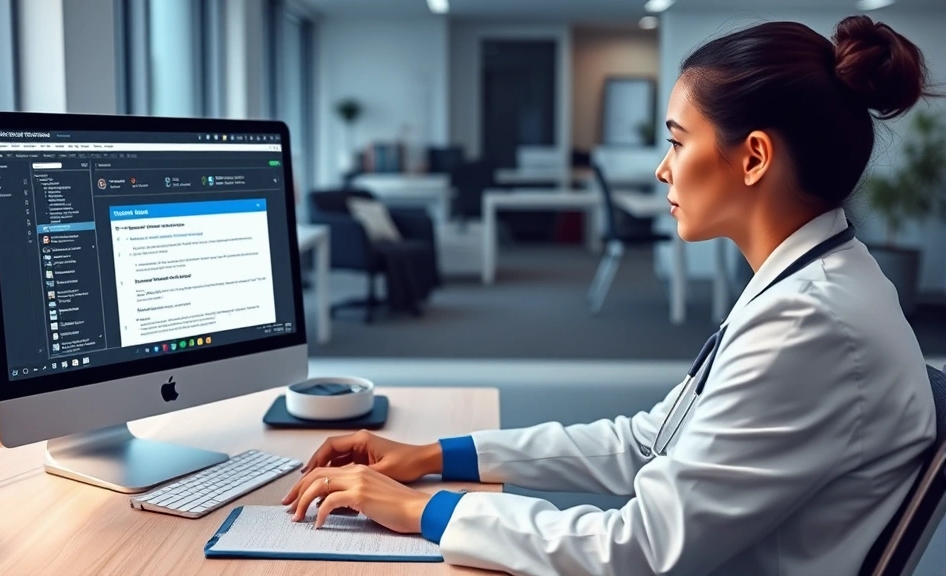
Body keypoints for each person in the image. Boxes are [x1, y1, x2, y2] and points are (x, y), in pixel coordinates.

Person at [283, 15, 938, 576]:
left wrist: (421, 508)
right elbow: (650, 443)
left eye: (678, 142)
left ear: (754, 158)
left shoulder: (810, 321)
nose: (662, 169)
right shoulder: (810, 281)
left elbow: (638, 551)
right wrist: (435, 456)